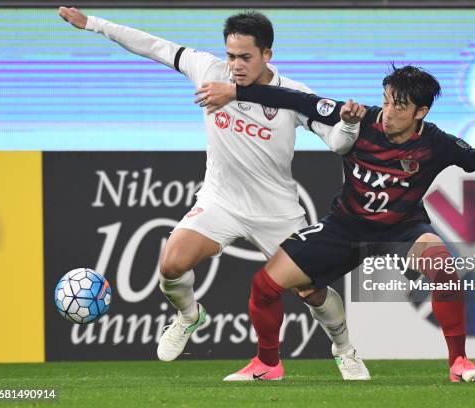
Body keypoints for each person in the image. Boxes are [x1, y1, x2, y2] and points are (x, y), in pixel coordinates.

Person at [58, 7, 370, 381]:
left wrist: (349, 126)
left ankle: (344, 349)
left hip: (277, 212)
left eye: (245, 57)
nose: (235, 65)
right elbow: (153, 46)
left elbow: (337, 143)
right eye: (231, 55)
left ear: (267, 55)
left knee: (312, 292)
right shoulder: (208, 71)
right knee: (172, 264)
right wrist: (93, 24)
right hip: (220, 201)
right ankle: (190, 315)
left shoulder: (294, 95)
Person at [197, 64, 475, 381]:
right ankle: (268, 364)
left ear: (420, 112)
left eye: (400, 106)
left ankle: (459, 363)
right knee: (264, 284)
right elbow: (295, 99)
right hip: (345, 227)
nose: (388, 112)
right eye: (387, 100)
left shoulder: (435, 143)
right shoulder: (359, 118)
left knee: (444, 267)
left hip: (402, 229)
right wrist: (237, 92)